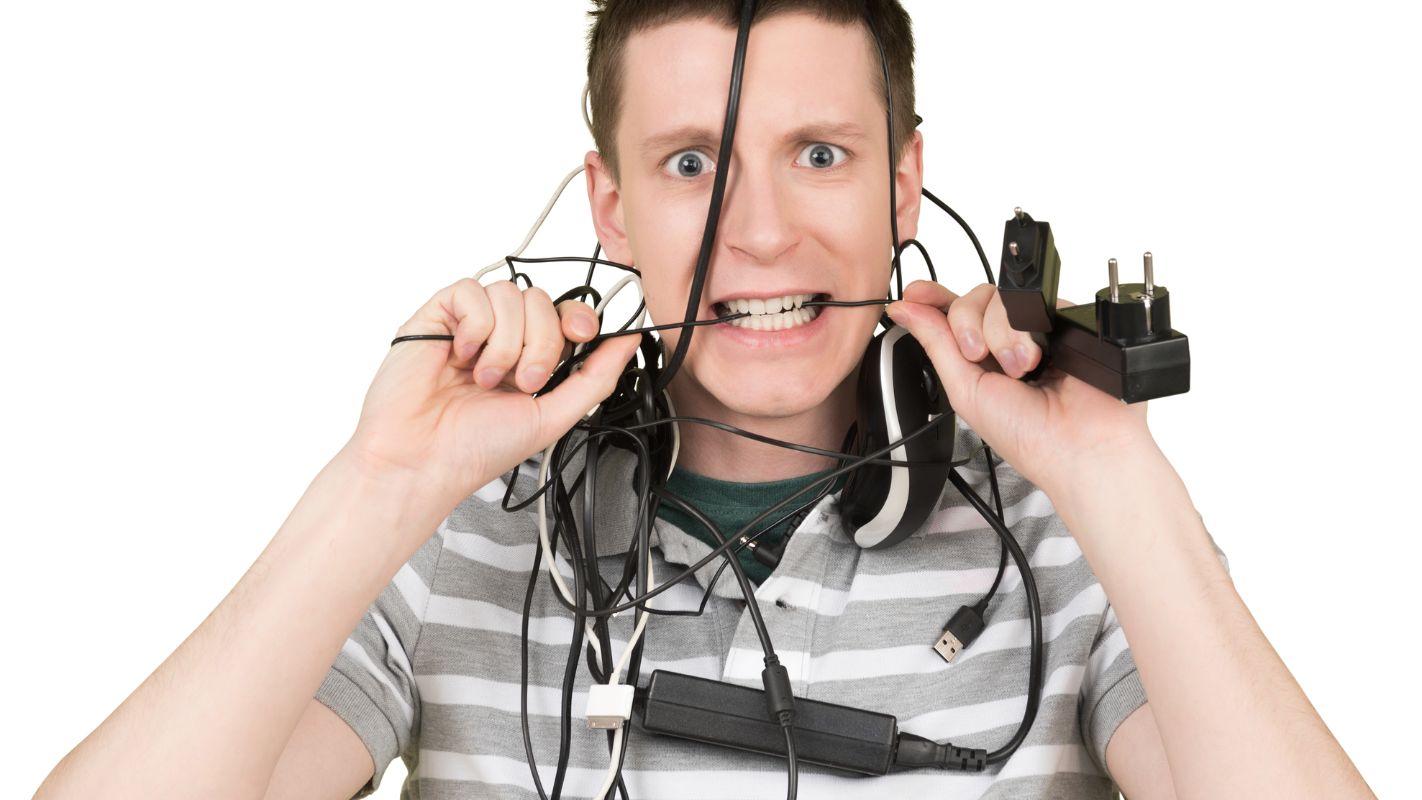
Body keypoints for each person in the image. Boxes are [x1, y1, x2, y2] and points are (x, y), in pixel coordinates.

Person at [35, 1, 1374, 798]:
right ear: (608, 206)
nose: (763, 231)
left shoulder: (1077, 536)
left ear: (905, 184)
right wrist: (378, 484)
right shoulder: (456, 531)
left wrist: (1120, 482)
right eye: (690, 162)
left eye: (819, 154)